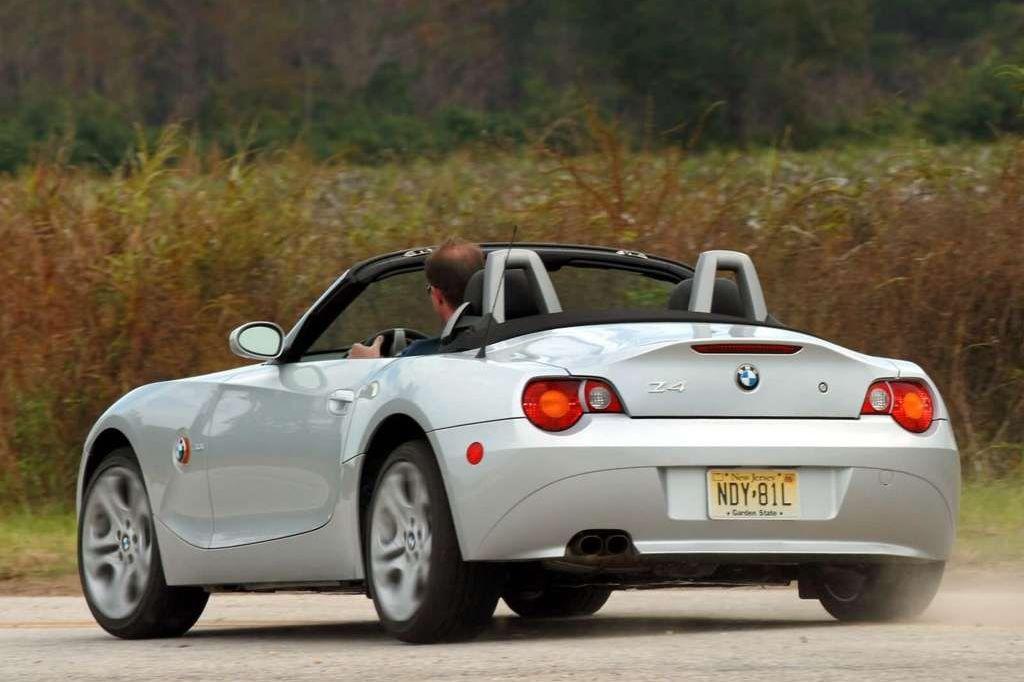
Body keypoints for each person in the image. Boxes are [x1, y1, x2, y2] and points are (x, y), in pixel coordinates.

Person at [349, 238, 484, 358]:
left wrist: (369, 363)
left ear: (438, 296)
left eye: (429, 289)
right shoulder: (494, 340)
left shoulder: (419, 354)